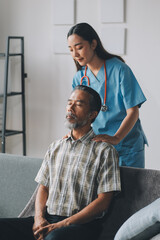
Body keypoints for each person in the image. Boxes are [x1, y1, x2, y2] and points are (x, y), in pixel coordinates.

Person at [0, 85, 121, 240]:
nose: (70, 107)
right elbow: (43, 187)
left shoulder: (105, 151)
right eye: (69, 102)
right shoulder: (56, 147)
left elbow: (103, 202)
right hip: (48, 219)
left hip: (81, 225)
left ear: (92, 114)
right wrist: (38, 219)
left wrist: (62, 224)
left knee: (54, 238)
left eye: (78, 104)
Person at [67, 22, 148, 168]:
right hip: (98, 145)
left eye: (79, 47)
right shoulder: (79, 78)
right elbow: (78, 113)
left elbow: (133, 112)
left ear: (93, 44)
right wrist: (74, 135)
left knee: (130, 190)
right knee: (102, 190)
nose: (75, 54)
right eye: (71, 49)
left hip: (126, 146)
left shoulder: (120, 70)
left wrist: (116, 138)